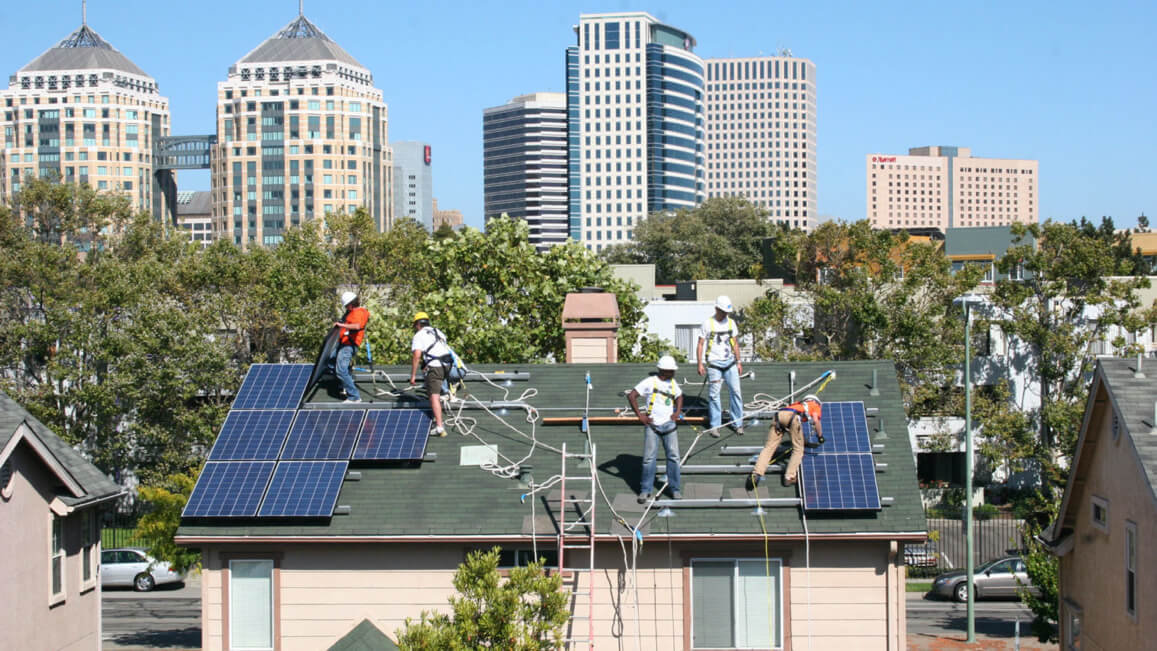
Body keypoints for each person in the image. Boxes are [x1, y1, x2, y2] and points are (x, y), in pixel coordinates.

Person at [627, 355, 684, 503]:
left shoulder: (673, 383)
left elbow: (679, 396)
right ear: (664, 370)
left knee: (674, 457)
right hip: (652, 426)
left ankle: (675, 489)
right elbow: (632, 395)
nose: (674, 373)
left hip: (669, 425)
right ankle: (645, 490)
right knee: (648, 459)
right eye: (671, 370)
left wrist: (677, 412)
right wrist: (641, 416)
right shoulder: (650, 382)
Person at [747, 395, 823, 490]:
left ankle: (756, 474)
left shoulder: (797, 404)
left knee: (769, 448)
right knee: (798, 449)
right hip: (792, 418)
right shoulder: (814, 405)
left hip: (779, 416)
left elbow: (796, 431)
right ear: (816, 402)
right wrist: (820, 437)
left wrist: (804, 441)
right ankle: (789, 477)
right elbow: (816, 421)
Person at [697, 295, 744, 437]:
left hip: (730, 363)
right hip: (714, 365)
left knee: (736, 392)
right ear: (716, 308)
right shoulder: (707, 324)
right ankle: (715, 426)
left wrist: (739, 361)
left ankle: (738, 423)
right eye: (723, 311)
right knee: (714, 395)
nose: (725, 314)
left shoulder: (731, 323)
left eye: (726, 312)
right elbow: (700, 344)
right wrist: (700, 363)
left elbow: (735, 343)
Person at [409, 311, 453, 436]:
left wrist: (412, 376)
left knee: (434, 396)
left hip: (436, 367)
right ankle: (446, 391)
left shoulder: (419, 335)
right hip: (447, 365)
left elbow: (417, 356)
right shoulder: (437, 331)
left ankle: (439, 426)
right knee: (433, 378)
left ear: (417, 324)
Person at [333, 291, 369, 404]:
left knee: (341, 370)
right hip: (345, 344)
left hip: (349, 345)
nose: (346, 308)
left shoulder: (358, 313)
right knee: (333, 364)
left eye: (346, 306)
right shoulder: (353, 312)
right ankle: (343, 387)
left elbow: (357, 326)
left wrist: (341, 325)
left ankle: (354, 396)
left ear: (351, 304)